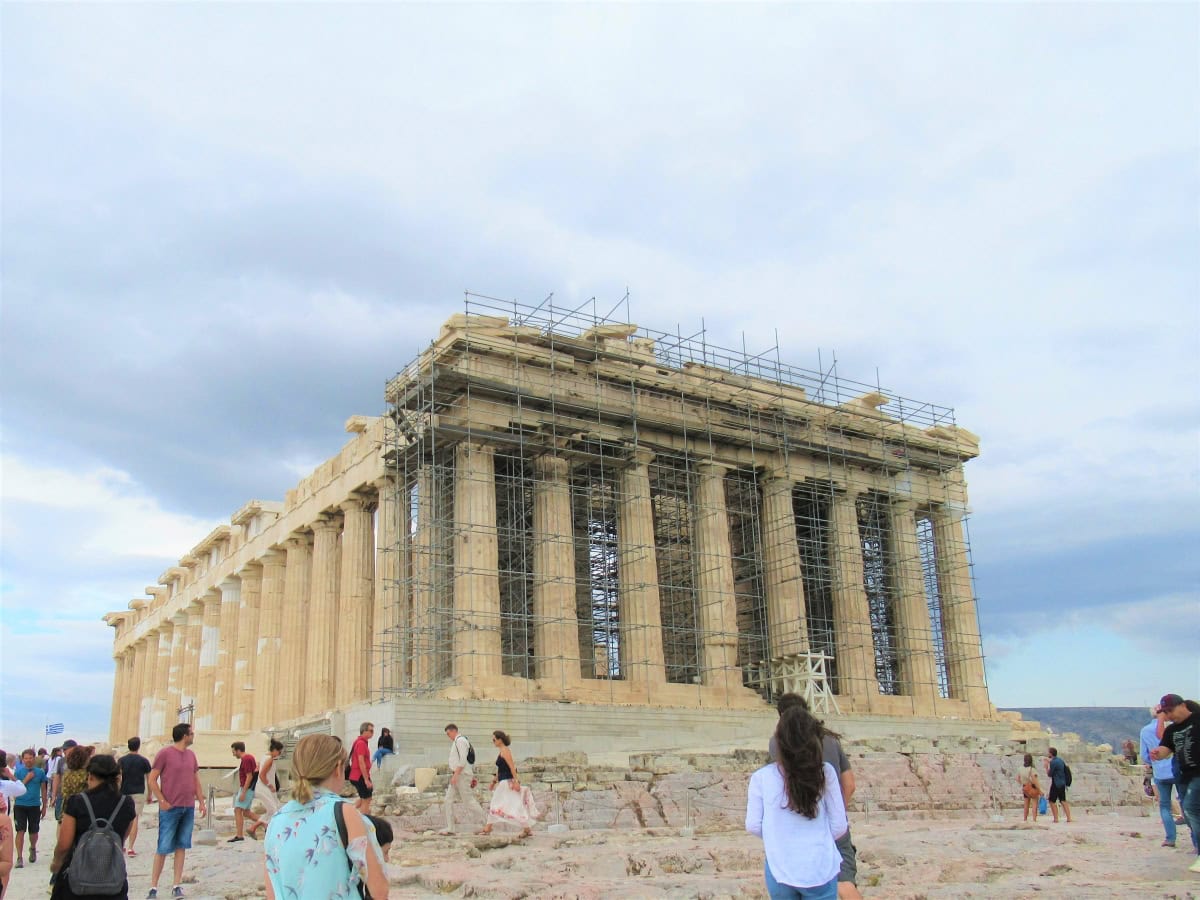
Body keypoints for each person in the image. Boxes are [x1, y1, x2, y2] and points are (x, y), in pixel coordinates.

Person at [263, 734, 388, 899]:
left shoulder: (276, 820)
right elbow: (379, 889)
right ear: (338, 768)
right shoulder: (344, 813)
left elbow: (272, 893)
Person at [747, 706, 848, 899]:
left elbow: (752, 825)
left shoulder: (761, 777)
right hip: (820, 866)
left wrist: (781, 839)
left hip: (780, 867)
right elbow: (839, 825)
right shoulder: (825, 773)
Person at [769, 694, 861, 900]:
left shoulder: (777, 744)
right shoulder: (831, 740)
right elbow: (850, 784)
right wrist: (837, 813)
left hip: (799, 828)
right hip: (835, 826)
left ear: (781, 716)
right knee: (844, 883)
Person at [49, 753, 137, 900]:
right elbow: (122, 837)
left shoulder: (77, 802)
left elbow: (64, 844)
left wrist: (56, 863)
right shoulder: (126, 803)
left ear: (90, 776)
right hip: (112, 878)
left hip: (78, 878)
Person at [147, 723, 207, 899]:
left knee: (181, 846)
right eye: (191, 733)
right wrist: (162, 800)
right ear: (184, 736)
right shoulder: (165, 754)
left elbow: (196, 780)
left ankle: (176, 885)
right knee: (163, 847)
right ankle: (153, 887)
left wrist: (201, 802)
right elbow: (152, 779)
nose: (193, 735)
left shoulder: (191, 756)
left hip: (187, 806)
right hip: (170, 808)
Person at [1150, 694, 1200, 873]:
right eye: (1165, 713)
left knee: (1191, 808)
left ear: (1182, 705)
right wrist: (1158, 753)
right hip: (1184, 775)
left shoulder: (1197, 719)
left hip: (1198, 774)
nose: (1169, 715)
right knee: (1189, 812)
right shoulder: (1172, 730)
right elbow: (1166, 749)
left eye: (1170, 711)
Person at [477, 730, 538, 838]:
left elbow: (512, 767)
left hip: (507, 783)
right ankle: (527, 829)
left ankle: (488, 828)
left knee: (497, 804)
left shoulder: (505, 751)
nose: (493, 741)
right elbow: (500, 770)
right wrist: (493, 781)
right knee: (515, 805)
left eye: (494, 739)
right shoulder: (501, 751)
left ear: (500, 739)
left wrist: (516, 782)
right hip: (503, 782)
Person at [1142, 704, 1181, 847]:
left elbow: (1144, 755)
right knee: (1186, 804)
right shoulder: (1174, 727)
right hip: (1178, 770)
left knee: (1164, 806)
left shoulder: (1145, 731)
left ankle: (1170, 838)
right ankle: (1195, 839)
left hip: (1160, 772)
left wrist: (1152, 761)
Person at [440, 724, 484, 836]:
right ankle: (451, 827)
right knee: (448, 800)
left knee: (468, 801)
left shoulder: (460, 741)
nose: (448, 736)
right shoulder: (458, 741)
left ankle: (486, 823)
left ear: (453, 731)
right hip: (458, 774)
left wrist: (456, 775)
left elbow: (463, 760)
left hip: (461, 775)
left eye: (448, 733)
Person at [12, 748, 49, 869]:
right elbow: (15, 791)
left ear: (34, 759)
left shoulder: (40, 772)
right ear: (22, 760)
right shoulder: (18, 772)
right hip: (20, 805)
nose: (28, 760)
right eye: (26, 758)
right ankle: (19, 857)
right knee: (20, 831)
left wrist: (44, 806)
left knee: (34, 832)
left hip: (34, 805)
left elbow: (44, 790)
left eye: (30, 758)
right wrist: (26, 779)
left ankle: (33, 848)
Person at [118, 738, 153, 857]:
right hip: (138, 792)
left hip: (124, 792)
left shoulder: (121, 760)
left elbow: (118, 778)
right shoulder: (144, 761)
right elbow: (149, 779)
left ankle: (121, 844)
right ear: (138, 746)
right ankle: (131, 848)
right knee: (134, 819)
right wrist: (150, 794)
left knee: (123, 819)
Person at [247, 740, 283, 840]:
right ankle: (253, 827)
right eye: (279, 752)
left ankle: (267, 830)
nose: (279, 754)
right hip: (264, 788)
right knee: (273, 810)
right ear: (275, 750)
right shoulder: (269, 759)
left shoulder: (264, 757)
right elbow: (262, 775)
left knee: (275, 808)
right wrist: (270, 785)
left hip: (264, 788)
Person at [228, 742, 260, 843]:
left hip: (247, 788)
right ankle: (266, 823)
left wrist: (243, 792)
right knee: (246, 812)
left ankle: (239, 835)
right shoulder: (249, 758)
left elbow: (249, 776)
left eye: (233, 751)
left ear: (238, 750)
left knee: (237, 810)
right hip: (249, 788)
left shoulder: (246, 759)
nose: (233, 754)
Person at [348, 723, 374, 815]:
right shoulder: (361, 743)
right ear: (364, 731)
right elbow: (361, 761)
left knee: (366, 797)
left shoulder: (358, 742)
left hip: (356, 775)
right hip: (360, 776)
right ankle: (365, 821)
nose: (372, 733)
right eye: (371, 731)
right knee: (366, 799)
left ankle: (349, 811)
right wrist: (366, 780)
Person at [60, 746, 94, 811]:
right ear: (84, 759)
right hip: (83, 809)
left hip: (67, 809)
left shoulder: (67, 773)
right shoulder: (86, 774)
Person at [1044, 747, 1072, 824]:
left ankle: (1056, 818)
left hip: (1056, 783)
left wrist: (1046, 767)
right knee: (1063, 800)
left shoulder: (1053, 762)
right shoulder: (1060, 760)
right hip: (1062, 783)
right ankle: (1069, 818)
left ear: (1050, 753)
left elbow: (1050, 774)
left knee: (1052, 801)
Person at [1016, 753, 1041, 822]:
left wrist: (1023, 783)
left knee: (1026, 804)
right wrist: (1039, 790)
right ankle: (1034, 819)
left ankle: (1025, 818)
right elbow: (1035, 780)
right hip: (1032, 787)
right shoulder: (1032, 769)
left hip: (1025, 787)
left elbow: (1017, 779)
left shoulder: (1020, 769)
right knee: (1034, 804)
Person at [46, 748, 65, 825]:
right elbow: (58, 769)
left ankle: (49, 802)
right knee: (55, 789)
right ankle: (52, 802)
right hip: (55, 775)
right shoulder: (59, 758)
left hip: (49, 775)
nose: (62, 752)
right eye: (60, 751)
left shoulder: (50, 758)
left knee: (49, 789)